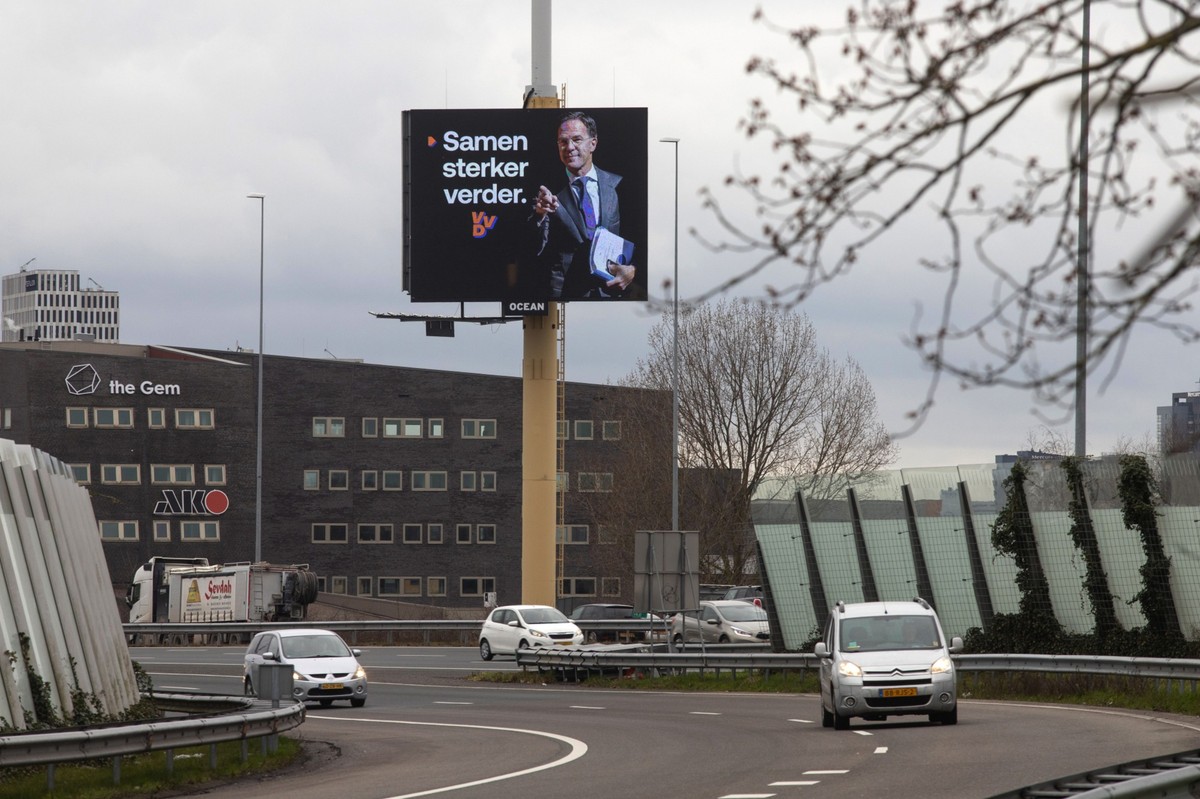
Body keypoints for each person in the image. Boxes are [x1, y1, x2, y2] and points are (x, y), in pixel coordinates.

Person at [530, 111, 638, 299]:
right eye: (563, 142)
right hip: (565, 296)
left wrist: (634, 269)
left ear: (593, 143)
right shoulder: (547, 191)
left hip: (611, 295)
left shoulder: (618, 185)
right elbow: (535, 247)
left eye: (576, 139)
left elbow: (640, 239)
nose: (569, 147)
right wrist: (540, 214)